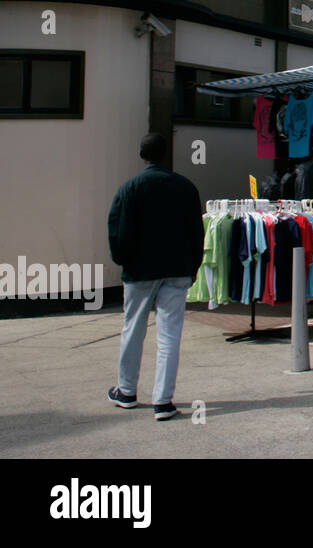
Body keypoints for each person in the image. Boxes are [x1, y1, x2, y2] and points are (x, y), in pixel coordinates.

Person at [107, 133, 204, 421]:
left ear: (142, 155)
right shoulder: (186, 188)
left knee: (133, 327)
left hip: (139, 270)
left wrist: (123, 261)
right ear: (167, 154)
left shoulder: (130, 188)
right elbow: (196, 232)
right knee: (170, 334)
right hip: (176, 269)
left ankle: (126, 390)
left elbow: (117, 230)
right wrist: (193, 266)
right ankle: (163, 400)